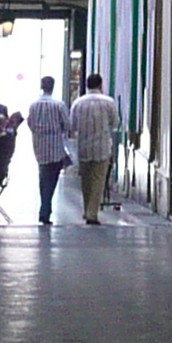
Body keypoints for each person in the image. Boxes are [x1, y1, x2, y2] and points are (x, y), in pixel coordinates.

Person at [69, 71, 121, 227]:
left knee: (86, 180)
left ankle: (87, 209)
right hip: (102, 147)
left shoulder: (78, 103)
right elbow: (115, 123)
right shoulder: (108, 102)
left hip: (84, 146)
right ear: (100, 85)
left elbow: (73, 125)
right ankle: (92, 213)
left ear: (86, 85)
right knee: (98, 180)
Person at [26, 73, 75, 227]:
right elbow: (67, 125)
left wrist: (39, 132)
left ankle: (44, 207)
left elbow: (30, 124)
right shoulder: (58, 105)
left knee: (43, 177)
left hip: (39, 147)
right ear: (52, 87)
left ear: (42, 87)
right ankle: (45, 209)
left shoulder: (34, 105)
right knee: (51, 180)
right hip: (55, 148)